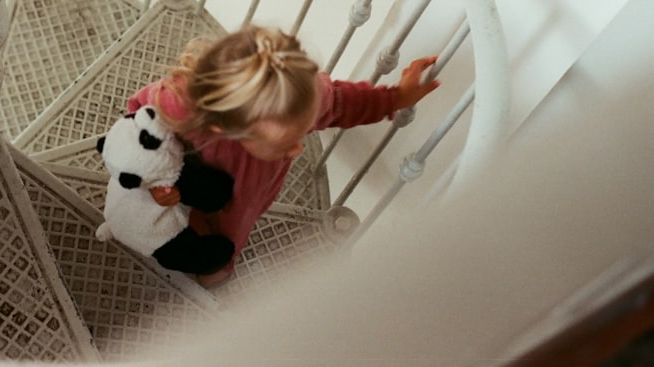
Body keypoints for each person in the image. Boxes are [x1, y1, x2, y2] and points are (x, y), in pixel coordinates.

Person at [126, 25, 439, 286]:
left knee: (230, 230)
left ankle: (216, 262)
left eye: (301, 132)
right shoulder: (178, 104)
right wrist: (153, 179)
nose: (297, 150)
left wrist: (395, 97)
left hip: (242, 199)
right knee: (176, 214)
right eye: (284, 143)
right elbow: (136, 121)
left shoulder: (299, 98)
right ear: (227, 127)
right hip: (185, 176)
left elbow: (342, 102)